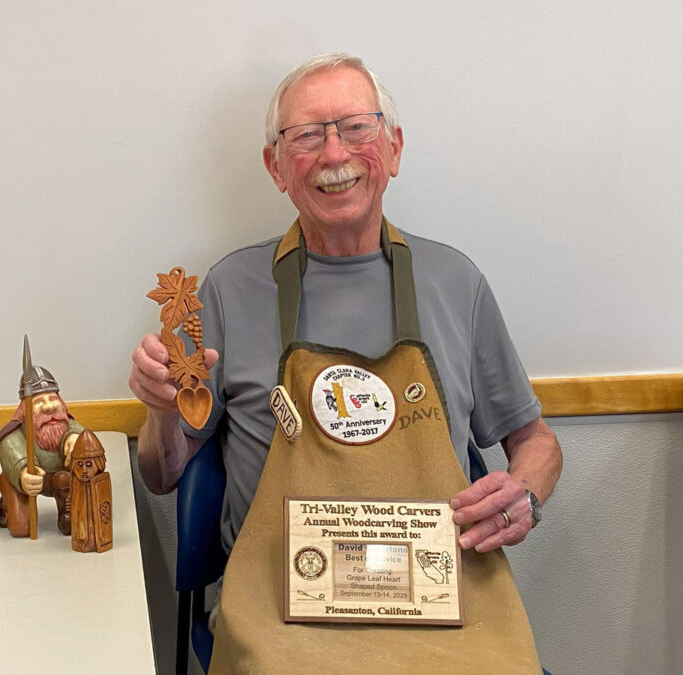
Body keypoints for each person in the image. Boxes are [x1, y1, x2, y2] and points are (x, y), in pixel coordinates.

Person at [128, 53, 562, 672]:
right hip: (283, 606)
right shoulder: (229, 288)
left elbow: (536, 439)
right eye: (305, 136)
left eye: (356, 127)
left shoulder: (455, 282)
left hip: (443, 603)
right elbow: (162, 473)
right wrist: (161, 411)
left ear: (394, 147)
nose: (334, 155)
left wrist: (524, 491)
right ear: (276, 167)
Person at [0, 356, 82, 537]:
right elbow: (10, 449)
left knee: (65, 480)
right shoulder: (14, 433)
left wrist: (76, 438)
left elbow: (78, 430)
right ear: (24, 409)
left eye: (52, 399)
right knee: (21, 529)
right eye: (39, 402)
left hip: (59, 481)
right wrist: (23, 472)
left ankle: (67, 510)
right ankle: (8, 504)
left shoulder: (67, 424)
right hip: (26, 483)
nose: (49, 407)